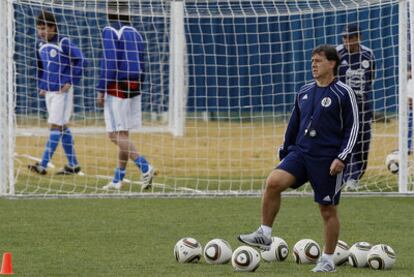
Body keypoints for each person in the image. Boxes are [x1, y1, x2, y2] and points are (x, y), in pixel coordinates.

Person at [238, 45, 359, 273]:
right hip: (301, 153)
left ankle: (328, 260)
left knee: (327, 209)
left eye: (318, 61)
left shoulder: (344, 92)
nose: (313, 64)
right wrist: (285, 152)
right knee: (273, 182)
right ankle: (264, 233)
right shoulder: (304, 91)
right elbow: (293, 124)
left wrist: (342, 157)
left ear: (332, 63)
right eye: (312, 60)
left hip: (327, 159)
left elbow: (353, 128)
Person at [97, 2, 155, 190]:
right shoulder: (136, 33)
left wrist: (101, 88)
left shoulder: (111, 30)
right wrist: (140, 85)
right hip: (135, 85)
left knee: (114, 134)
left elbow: (110, 61)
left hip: (117, 86)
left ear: (109, 10)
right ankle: (118, 179)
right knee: (123, 133)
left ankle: (145, 166)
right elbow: (143, 62)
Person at [28, 11, 86, 175]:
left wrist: (70, 81)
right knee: (61, 127)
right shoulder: (39, 44)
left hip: (62, 92)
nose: (41, 32)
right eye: (39, 28)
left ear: (53, 27)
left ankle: (43, 165)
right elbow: (40, 66)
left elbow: (81, 60)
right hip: (49, 91)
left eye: (44, 28)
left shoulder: (63, 42)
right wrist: (42, 84)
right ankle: (73, 165)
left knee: (54, 126)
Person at [336, 24, 376, 190]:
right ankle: (346, 176)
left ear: (359, 38)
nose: (347, 41)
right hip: (343, 109)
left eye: (351, 38)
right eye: (345, 37)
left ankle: (355, 176)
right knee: (346, 142)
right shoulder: (337, 54)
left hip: (363, 107)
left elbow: (371, 79)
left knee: (362, 143)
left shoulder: (368, 55)